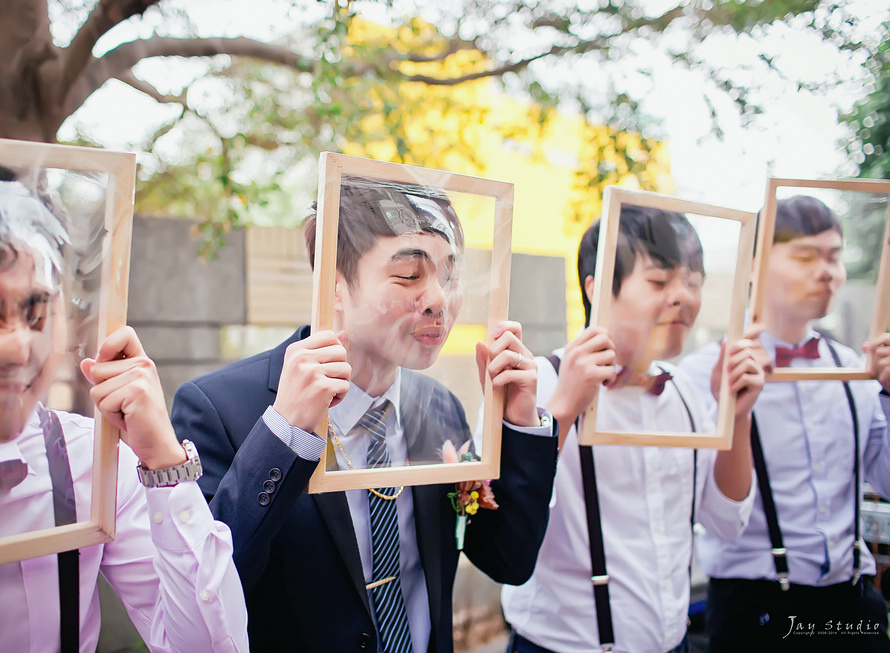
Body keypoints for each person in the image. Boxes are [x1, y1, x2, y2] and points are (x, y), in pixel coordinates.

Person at [171, 177, 559, 653]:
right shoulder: (219, 409)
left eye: (449, 277)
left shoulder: (440, 407)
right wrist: (284, 431)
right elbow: (204, 595)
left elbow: (510, 561)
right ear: (333, 285)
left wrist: (520, 422)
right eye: (409, 276)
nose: (439, 299)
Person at [0, 165, 248, 653]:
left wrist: (164, 462)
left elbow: (210, 647)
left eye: (36, 312)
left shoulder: (85, 457)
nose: (15, 348)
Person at [502, 205, 764, 653]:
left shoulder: (684, 392)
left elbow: (726, 522)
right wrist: (564, 409)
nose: (683, 296)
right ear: (598, 287)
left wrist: (736, 417)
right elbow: (503, 531)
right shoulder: (535, 384)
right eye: (661, 281)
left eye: (693, 281)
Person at [679, 195, 890, 652]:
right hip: (755, 611)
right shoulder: (701, 376)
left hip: (852, 605)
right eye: (805, 256)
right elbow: (699, 513)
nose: (826, 271)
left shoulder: (855, 369)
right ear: (753, 266)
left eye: (834, 256)